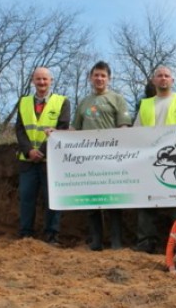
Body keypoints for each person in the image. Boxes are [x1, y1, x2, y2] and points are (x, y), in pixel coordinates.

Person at [133, 65, 176, 253]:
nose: (163, 78)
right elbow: (136, 133)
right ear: (154, 81)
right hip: (151, 161)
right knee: (146, 204)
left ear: (172, 80)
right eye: (159, 76)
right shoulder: (145, 105)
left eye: (167, 76)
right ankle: (145, 244)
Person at [72, 61, 132, 251]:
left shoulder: (117, 99)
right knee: (92, 200)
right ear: (91, 78)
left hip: (111, 158)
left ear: (109, 78)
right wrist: (56, 135)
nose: (99, 79)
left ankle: (116, 242)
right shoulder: (84, 102)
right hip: (89, 159)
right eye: (96, 75)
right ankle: (96, 241)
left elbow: (124, 127)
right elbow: (74, 129)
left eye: (103, 76)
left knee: (113, 200)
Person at [15, 67, 71, 245]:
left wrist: (42, 151)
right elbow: (20, 130)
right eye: (38, 79)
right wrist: (29, 151)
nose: (41, 83)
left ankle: (52, 235)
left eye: (45, 79)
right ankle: (25, 234)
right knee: (26, 198)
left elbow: (62, 128)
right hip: (28, 161)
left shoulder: (62, 101)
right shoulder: (23, 102)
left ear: (51, 81)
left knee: (52, 200)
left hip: (51, 161)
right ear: (33, 80)